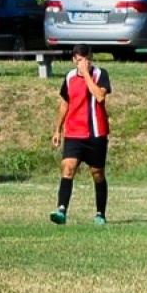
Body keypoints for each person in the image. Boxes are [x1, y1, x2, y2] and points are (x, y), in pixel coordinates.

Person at [50, 45, 112, 227]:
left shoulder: (101, 74)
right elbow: (64, 104)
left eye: (86, 59)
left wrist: (86, 75)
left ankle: (100, 213)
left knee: (97, 173)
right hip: (74, 132)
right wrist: (57, 129)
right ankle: (61, 210)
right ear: (74, 60)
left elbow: (100, 97)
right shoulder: (69, 77)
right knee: (68, 168)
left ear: (91, 59)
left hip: (96, 133)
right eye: (79, 60)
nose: (83, 63)